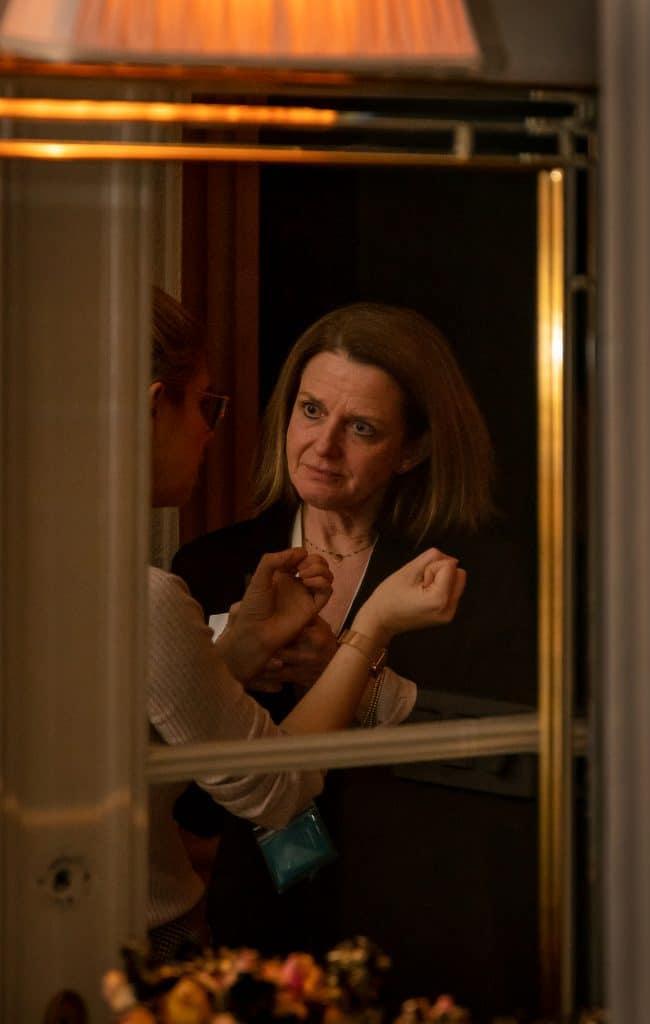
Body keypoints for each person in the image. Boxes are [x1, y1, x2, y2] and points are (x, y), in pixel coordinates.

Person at [146, 289, 467, 960]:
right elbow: (196, 784)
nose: (323, 446)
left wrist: (359, 678)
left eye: (362, 428)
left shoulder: (454, 574)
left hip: (417, 914)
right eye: (311, 410)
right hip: (247, 927)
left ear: (411, 450)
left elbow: (499, 762)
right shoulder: (205, 565)